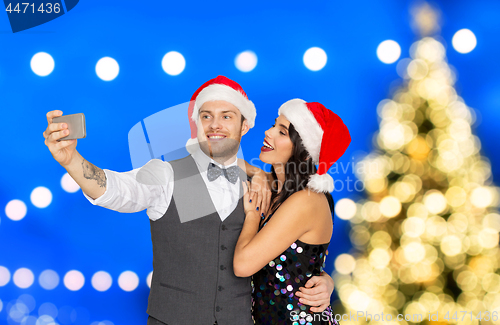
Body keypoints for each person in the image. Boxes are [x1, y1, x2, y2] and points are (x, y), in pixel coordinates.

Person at [43, 76, 335, 325]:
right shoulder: (165, 173)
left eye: (227, 116)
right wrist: (72, 161)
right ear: (196, 125)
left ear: (244, 126)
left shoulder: (265, 187)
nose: (215, 125)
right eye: (206, 116)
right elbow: (118, 189)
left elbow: (298, 252)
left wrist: (324, 280)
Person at [234, 99, 351, 325]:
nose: (268, 132)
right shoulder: (275, 188)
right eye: (273, 125)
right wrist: (258, 173)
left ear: (305, 152)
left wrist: (252, 215)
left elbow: (243, 265)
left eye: (282, 132)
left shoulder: (307, 200)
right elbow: (218, 161)